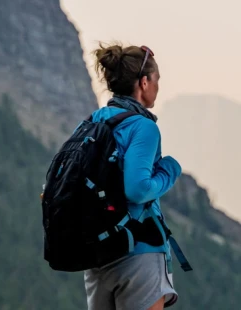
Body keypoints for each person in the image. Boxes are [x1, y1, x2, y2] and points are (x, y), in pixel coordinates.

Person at [83, 42, 182, 310]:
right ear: (144, 82)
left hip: (98, 256)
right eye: (157, 79)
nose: (158, 86)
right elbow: (138, 189)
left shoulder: (95, 121)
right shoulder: (143, 127)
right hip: (138, 253)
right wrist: (169, 171)